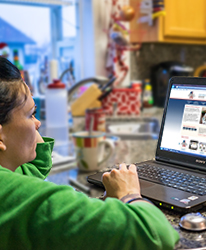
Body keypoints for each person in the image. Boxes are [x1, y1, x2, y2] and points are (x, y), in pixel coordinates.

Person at [0, 57, 179, 250]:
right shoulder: (32, 202)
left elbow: (36, 166)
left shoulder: (10, 175)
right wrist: (129, 194)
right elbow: (155, 234)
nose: (38, 124)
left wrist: (26, 121)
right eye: (31, 115)